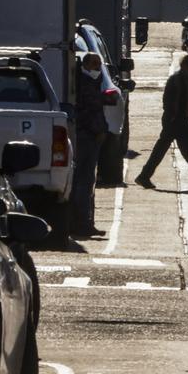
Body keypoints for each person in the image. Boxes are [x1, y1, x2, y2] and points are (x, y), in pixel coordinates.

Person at [135, 54, 188, 191]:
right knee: (185, 149)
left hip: (181, 119)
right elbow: (170, 101)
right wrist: (173, 117)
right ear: (185, 65)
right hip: (176, 120)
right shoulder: (177, 80)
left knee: (175, 149)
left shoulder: (187, 79)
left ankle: (145, 175)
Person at [70, 52, 109, 236]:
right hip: (86, 136)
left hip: (92, 136)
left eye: (99, 64)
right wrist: (97, 130)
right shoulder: (83, 84)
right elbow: (89, 110)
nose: (97, 67)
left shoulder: (93, 82)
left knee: (87, 180)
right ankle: (81, 223)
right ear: (84, 65)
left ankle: (85, 221)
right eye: (94, 63)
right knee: (83, 181)